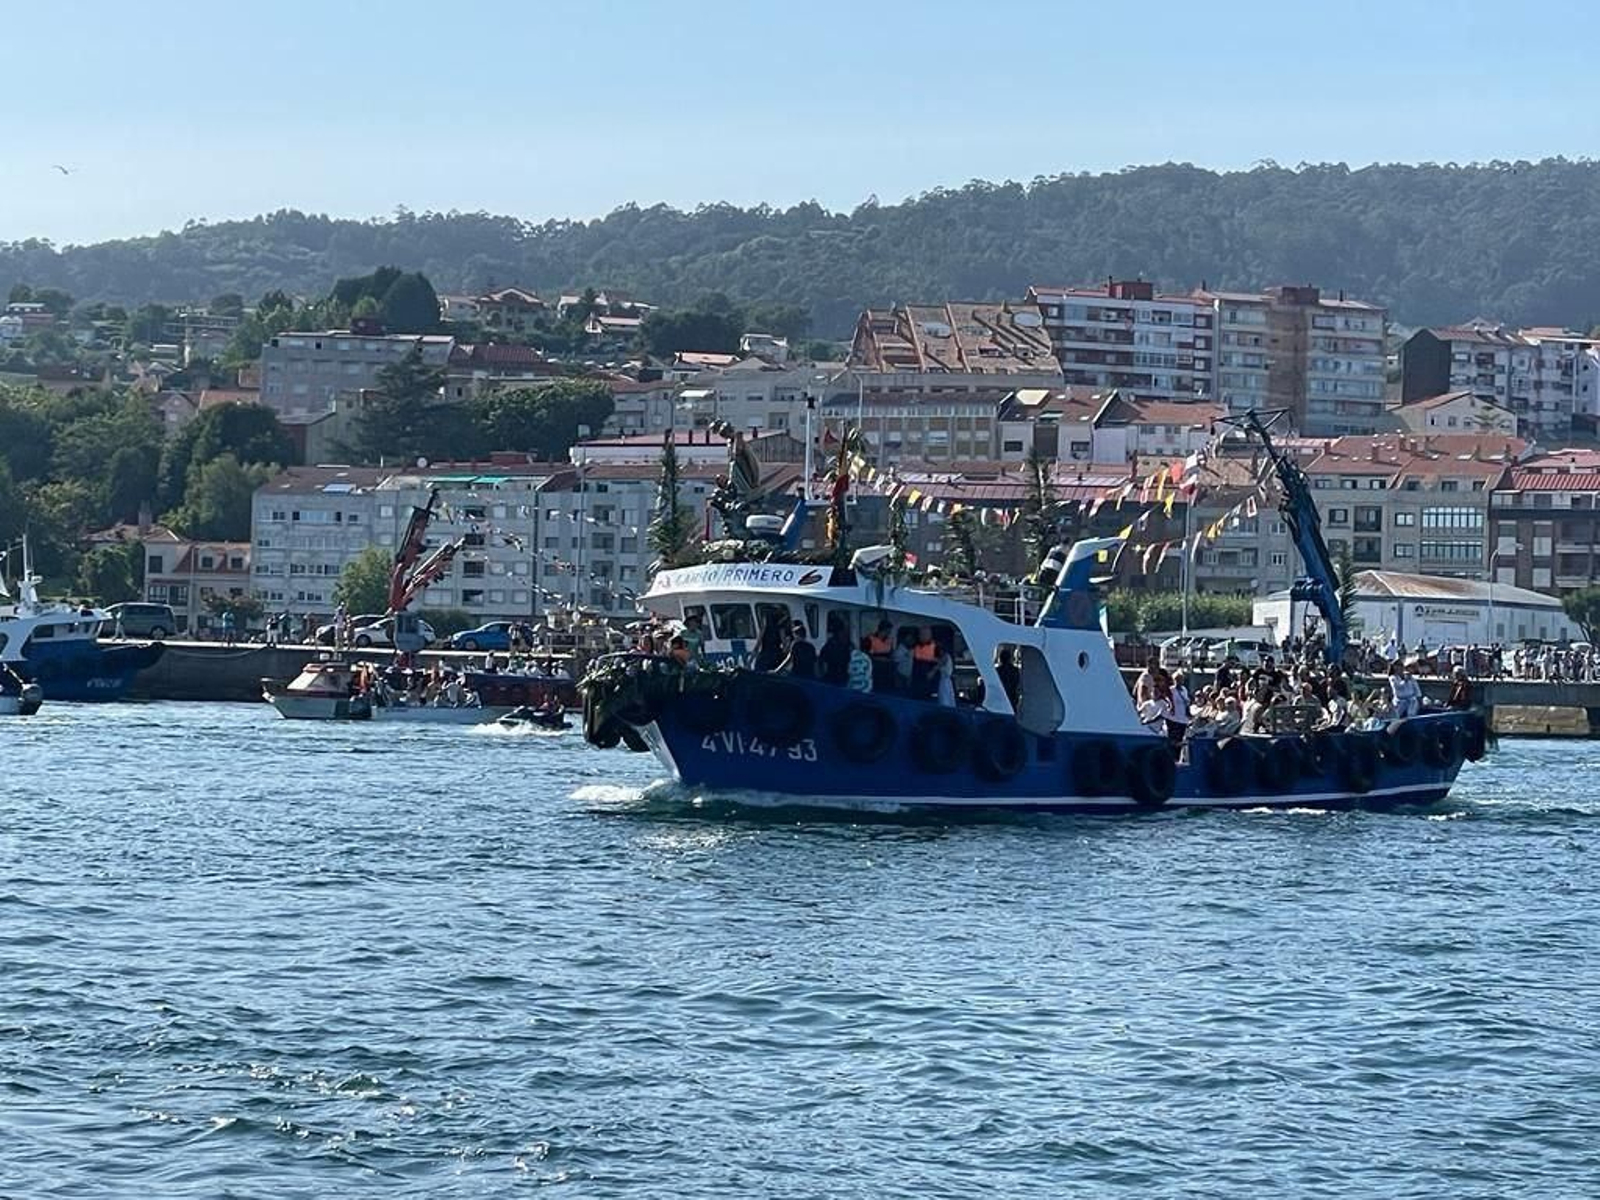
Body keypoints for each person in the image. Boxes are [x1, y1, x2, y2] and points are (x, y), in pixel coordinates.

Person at [818, 618, 853, 686]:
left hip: (833, 678)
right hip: (840, 678)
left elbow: (822, 662)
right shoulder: (846, 646)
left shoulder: (828, 646)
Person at [1167, 669, 1192, 748]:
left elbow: (1187, 701)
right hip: (1174, 718)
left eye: (1181, 679)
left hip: (1183, 719)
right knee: (1173, 740)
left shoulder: (1184, 690)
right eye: (1177, 679)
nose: (1179, 681)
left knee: (1181, 740)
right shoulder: (1171, 690)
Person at [995, 646, 1022, 710]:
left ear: (1000, 659)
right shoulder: (1015, 670)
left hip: (1000, 698)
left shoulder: (997, 670)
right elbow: (1017, 683)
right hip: (1012, 698)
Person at [892, 629, 915, 695]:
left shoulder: (913, 649)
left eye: (911, 638)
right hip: (901, 677)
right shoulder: (899, 650)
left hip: (910, 677)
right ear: (904, 638)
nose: (911, 640)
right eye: (908, 638)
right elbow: (895, 664)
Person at [933, 643, 956, 707]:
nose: (940, 652)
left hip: (945, 681)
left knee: (945, 697)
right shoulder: (945, 657)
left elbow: (938, 665)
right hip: (945, 680)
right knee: (946, 697)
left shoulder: (946, 656)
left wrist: (932, 672)